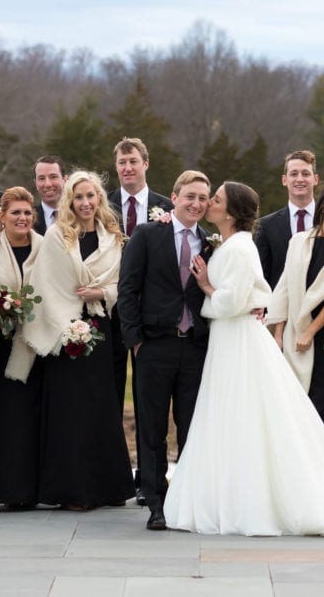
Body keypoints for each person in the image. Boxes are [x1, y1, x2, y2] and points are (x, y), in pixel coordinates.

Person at [164, 181, 324, 537]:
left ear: (230, 212)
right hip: (231, 337)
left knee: (246, 414)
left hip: (237, 336)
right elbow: (268, 292)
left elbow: (233, 303)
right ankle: (231, 493)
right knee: (231, 414)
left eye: (215, 200)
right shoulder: (233, 245)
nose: (208, 204)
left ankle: (255, 500)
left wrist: (206, 290)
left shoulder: (239, 249)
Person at [22, 171, 134, 510]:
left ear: (99, 199)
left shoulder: (113, 238)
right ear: (69, 201)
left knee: (101, 408)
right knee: (70, 412)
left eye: (91, 196)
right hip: (65, 334)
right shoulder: (57, 236)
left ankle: (107, 488)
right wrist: (71, 327)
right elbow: (48, 286)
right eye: (79, 197)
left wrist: (101, 292)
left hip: (101, 328)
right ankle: (72, 491)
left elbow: (123, 285)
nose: (85, 203)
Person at [118, 170, 213, 531]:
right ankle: (155, 501)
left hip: (195, 348)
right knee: (152, 427)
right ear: (173, 197)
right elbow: (127, 290)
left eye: (203, 198)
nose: (196, 203)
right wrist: (135, 341)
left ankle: (185, 499)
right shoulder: (146, 234)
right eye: (190, 196)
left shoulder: (210, 241)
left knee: (191, 427)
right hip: (154, 346)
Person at [267, 179, 324, 448]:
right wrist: (279, 335)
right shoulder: (299, 241)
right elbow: (283, 288)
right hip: (293, 337)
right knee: (293, 409)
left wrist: (311, 331)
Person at [107, 137, 174, 504]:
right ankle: (117, 476)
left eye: (133, 161)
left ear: (146, 163)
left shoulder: (167, 207)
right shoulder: (103, 206)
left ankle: (151, 482)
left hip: (154, 319)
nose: (127, 167)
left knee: (151, 404)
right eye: (122, 162)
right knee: (112, 395)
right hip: (111, 314)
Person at [0, 187, 44, 509]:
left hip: (38, 346)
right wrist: (3, 305)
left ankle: (34, 490)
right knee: (6, 420)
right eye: (15, 212)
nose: (22, 218)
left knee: (34, 419)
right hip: (0, 346)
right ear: (1, 216)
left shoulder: (46, 249)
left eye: (27, 213)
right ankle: (5, 489)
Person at [255, 150, 320, 289]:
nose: (300, 179)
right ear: (284, 180)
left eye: (306, 174)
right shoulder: (266, 225)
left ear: (316, 179)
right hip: (280, 306)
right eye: (294, 174)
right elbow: (262, 274)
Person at [32, 155, 67, 236]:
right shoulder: (28, 220)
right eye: (41, 178)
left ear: (65, 180)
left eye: (53, 177)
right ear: (36, 184)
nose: (47, 184)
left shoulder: (79, 215)